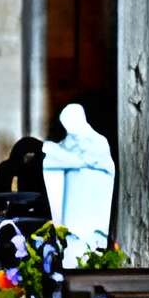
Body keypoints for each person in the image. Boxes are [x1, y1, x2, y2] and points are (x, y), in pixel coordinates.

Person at [41, 102, 115, 254]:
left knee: (88, 236)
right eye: (65, 124)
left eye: (70, 123)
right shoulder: (69, 141)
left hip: (90, 196)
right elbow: (55, 158)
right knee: (71, 234)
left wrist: (53, 150)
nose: (69, 128)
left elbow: (83, 160)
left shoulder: (97, 141)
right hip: (73, 196)